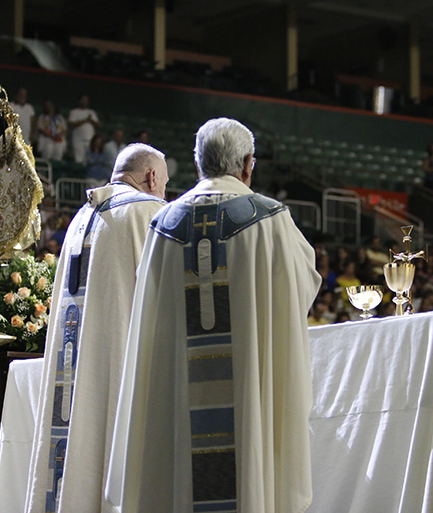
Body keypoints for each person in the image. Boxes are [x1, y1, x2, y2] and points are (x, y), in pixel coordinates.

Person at [105, 118, 320, 513]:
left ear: (199, 163)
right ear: (247, 164)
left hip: (180, 389)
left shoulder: (164, 223)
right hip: (245, 383)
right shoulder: (269, 218)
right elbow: (303, 283)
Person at [23, 143, 169, 513]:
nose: (165, 191)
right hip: (116, 362)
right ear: (152, 177)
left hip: (75, 369)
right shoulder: (148, 211)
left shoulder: (81, 217)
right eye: (166, 183)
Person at [68, 94, 99, 164]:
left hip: (89, 140)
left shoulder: (91, 112)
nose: (85, 102)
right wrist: (85, 120)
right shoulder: (74, 112)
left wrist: (90, 119)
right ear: (79, 101)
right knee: (79, 160)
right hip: (78, 140)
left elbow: (97, 124)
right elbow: (71, 124)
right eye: (83, 100)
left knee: (88, 160)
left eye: (86, 100)